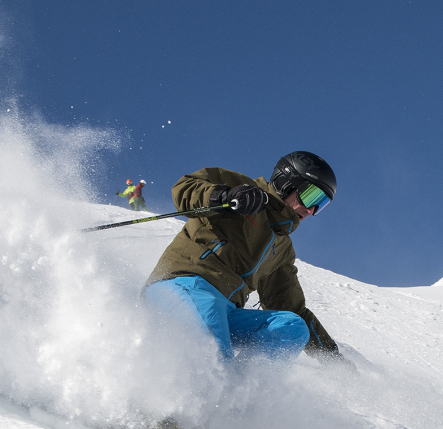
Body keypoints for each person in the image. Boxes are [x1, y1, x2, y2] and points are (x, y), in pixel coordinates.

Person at [143, 152, 341, 363]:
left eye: (320, 203)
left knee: (292, 327)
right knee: (212, 341)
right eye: (311, 196)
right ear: (285, 182)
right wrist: (224, 196)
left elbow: (292, 307)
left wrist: (334, 361)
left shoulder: (282, 249)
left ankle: (242, 387)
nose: (311, 210)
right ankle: (217, 383)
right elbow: (185, 187)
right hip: (182, 286)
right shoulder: (243, 189)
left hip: (226, 312)